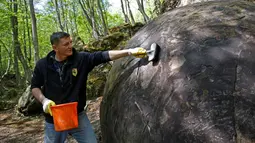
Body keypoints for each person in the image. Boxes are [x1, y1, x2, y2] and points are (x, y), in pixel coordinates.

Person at [31, 32, 147, 143]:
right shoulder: (43, 65)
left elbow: (104, 55)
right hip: (54, 119)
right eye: (66, 44)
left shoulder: (81, 59)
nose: (70, 46)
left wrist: (130, 52)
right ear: (55, 48)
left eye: (71, 42)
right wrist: (44, 100)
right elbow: (35, 86)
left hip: (78, 115)